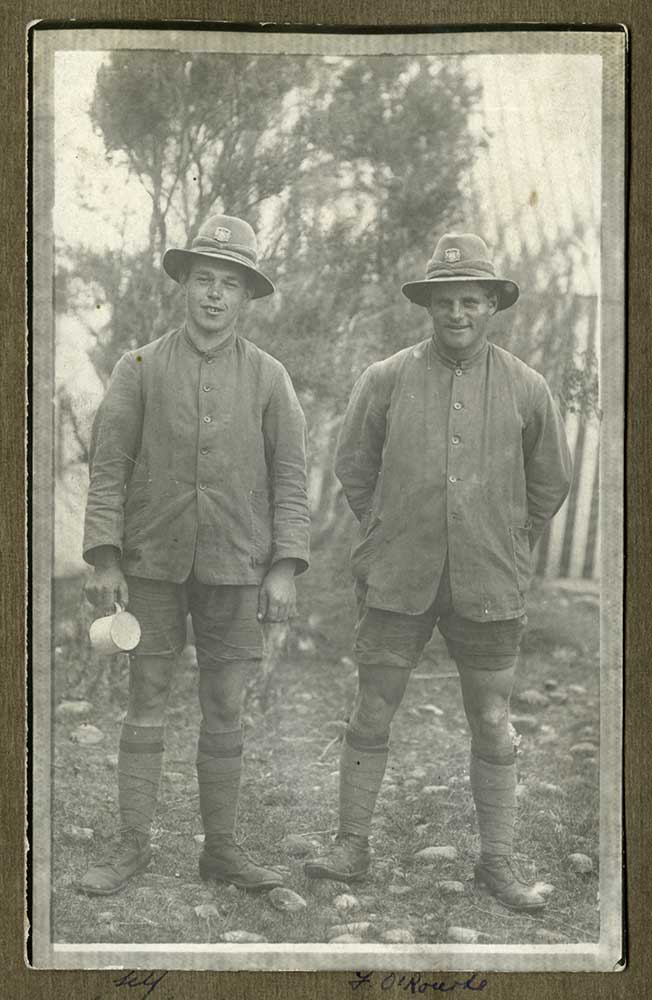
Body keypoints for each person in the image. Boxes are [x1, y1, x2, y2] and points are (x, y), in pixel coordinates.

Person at [304, 233, 572, 911]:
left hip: (489, 579)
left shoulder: (526, 387)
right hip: (398, 576)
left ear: (491, 307)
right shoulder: (386, 377)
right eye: (445, 301)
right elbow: (353, 469)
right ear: (427, 306)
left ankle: (499, 862)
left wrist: (508, 538)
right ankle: (351, 845)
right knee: (373, 706)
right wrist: (391, 528)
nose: (457, 313)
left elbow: (551, 482)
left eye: (471, 300)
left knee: (491, 715)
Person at [79, 214, 310, 895]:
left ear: (247, 297)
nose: (214, 295)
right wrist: (105, 560)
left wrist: (284, 566)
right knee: (146, 696)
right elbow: (110, 467)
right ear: (184, 285)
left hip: (238, 569)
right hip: (151, 565)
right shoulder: (139, 367)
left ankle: (224, 851)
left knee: (227, 705)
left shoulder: (271, 379)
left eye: (229, 284)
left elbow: (291, 479)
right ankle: (130, 846)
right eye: (203, 280)